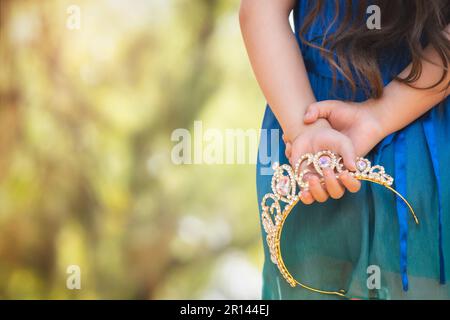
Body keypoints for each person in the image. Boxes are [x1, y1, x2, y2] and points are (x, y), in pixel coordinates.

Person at [240, 0, 450, 299]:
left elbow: (260, 9)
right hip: (316, 124)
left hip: (312, 116)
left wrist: (305, 130)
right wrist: (307, 130)